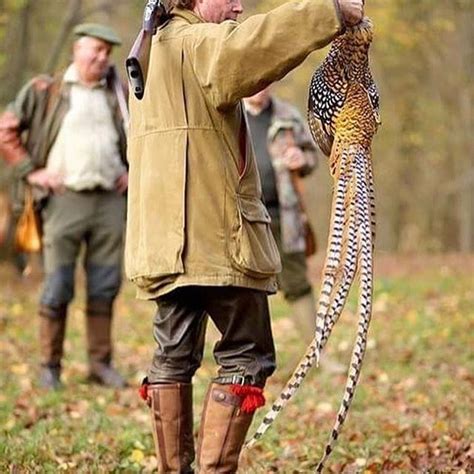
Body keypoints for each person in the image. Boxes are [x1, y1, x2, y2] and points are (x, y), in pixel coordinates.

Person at [126, 0, 364, 471]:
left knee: (173, 357)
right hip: (217, 238)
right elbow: (257, 45)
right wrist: (331, 10)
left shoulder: (154, 51)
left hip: (163, 245)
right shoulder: (200, 43)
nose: (238, 5)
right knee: (246, 357)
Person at [0, 23, 129, 390]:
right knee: (57, 285)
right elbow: (6, 129)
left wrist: (131, 172)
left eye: (108, 52)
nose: (103, 58)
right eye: (97, 50)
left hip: (108, 201)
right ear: (78, 50)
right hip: (62, 201)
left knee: (105, 285)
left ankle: (100, 364)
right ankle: (50, 366)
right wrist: (31, 171)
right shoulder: (47, 90)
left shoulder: (118, 94)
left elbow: (141, 136)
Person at [244, 87, 320, 343]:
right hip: (242, 219)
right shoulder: (228, 113)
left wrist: (303, 158)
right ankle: (247, 358)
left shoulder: (287, 115)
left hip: (284, 215)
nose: (260, 87)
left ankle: (318, 354)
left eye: (266, 80)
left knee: (297, 283)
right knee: (243, 288)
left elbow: (312, 155)